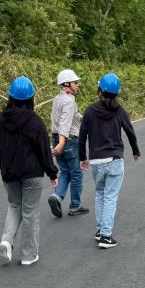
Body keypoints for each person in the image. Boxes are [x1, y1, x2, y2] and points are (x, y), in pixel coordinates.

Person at [0, 76, 59, 266]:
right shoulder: (35, 122)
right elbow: (44, 151)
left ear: (11, 97)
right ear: (31, 98)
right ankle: (28, 255)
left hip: (9, 174)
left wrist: (3, 167)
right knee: (30, 212)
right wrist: (52, 173)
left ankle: (7, 240)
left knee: (15, 206)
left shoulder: (1, 121)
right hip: (32, 174)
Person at [78, 73, 140, 250]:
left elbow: (82, 136)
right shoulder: (120, 111)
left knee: (100, 194)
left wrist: (82, 158)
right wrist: (135, 151)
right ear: (117, 93)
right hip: (114, 159)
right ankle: (106, 236)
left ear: (100, 91)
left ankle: (100, 231)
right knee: (110, 197)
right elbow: (130, 131)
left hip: (96, 161)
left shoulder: (90, 111)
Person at [48, 68, 88, 218]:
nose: (77, 85)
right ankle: (75, 206)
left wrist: (87, 118)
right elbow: (64, 123)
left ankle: (57, 197)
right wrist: (62, 142)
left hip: (56, 138)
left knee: (65, 171)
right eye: (75, 82)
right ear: (66, 84)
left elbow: (72, 117)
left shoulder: (57, 99)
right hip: (68, 141)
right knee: (76, 174)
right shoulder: (69, 101)